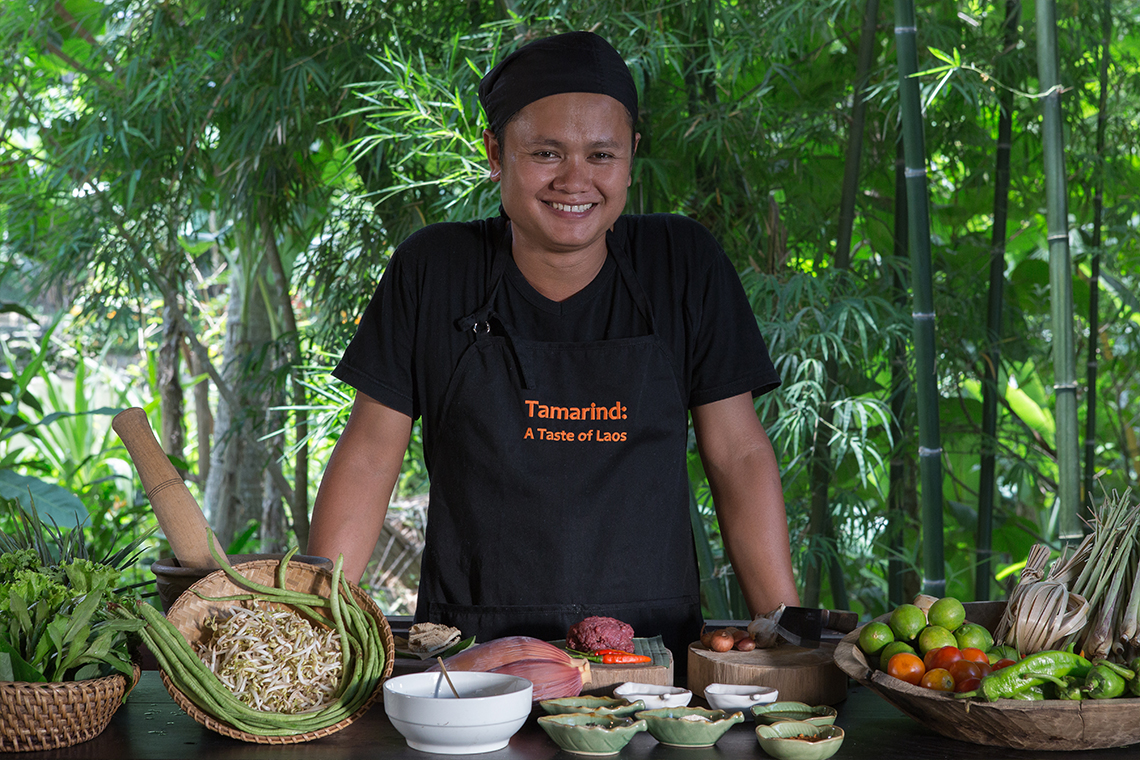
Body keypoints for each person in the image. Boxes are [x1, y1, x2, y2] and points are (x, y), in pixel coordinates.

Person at [308, 31, 799, 660]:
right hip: (471, 654)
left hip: (650, 656)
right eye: (546, 152)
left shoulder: (682, 263)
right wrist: (316, 624)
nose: (576, 180)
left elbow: (737, 453)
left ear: (631, 158)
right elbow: (371, 455)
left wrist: (783, 630)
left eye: (602, 155)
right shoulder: (434, 269)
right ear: (495, 152)